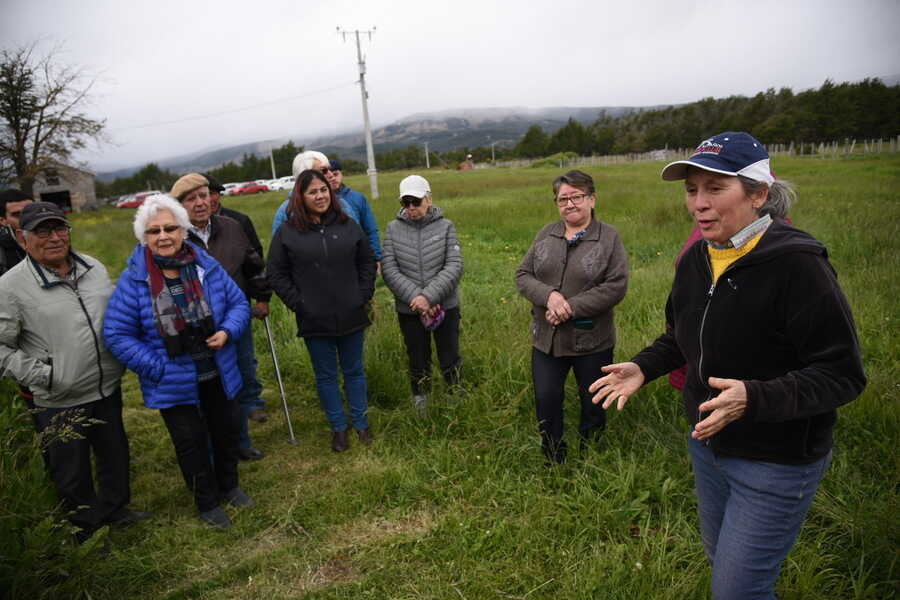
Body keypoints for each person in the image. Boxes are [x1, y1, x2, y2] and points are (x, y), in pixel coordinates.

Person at [589, 132, 866, 599]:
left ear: (759, 193)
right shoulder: (697, 259)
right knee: (725, 566)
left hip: (776, 459)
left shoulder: (798, 265)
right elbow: (683, 336)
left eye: (716, 189)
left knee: (738, 590)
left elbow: (843, 373)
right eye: (691, 190)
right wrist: (643, 367)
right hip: (709, 447)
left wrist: (754, 397)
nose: (699, 203)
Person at [0, 202, 148, 541]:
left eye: (60, 228)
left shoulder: (92, 267)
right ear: (23, 239)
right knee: (71, 470)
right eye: (43, 231)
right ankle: (85, 531)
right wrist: (45, 375)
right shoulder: (10, 287)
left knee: (114, 453)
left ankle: (116, 508)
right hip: (58, 397)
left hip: (106, 384)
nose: (55, 237)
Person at [103, 194, 252, 529]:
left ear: (184, 231)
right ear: (144, 237)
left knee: (226, 431)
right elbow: (117, 334)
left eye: (170, 228)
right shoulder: (136, 279)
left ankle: (229, 486)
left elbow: (239, 303)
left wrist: (228, 331)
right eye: (154, 231)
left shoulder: (205, 266)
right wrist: (157, 367)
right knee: (191, 444)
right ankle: (207, 503)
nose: (163, 236)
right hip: (173, 378)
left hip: (217, 368)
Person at [516, 170, 628, 464]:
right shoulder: (546, 234)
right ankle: (553, 457)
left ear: (592, 199)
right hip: (547, 341)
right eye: (562, 199)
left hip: (592, 341)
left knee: (593, 401)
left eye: (576, 197)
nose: (569, 204)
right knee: (546, 398)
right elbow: (523, 275)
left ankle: (591, 456)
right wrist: (550, 297)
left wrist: (570, 307)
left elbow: (615, 287)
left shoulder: (609, 238)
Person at [267, 169, 376, 452]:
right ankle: (339, 428)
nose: (320, 196)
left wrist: (362, 295)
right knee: (326, 375)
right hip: (314, 318)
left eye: (324, 190)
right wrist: (299, 304)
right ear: (300, 197)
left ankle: (361, 423)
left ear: (331, 192)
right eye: (312, 192)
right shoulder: (287, 232)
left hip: (351, 312)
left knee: (354, 371)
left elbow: (366, 262)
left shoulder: (348, 225)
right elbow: (276, 274)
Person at [170, 173, 271, 461]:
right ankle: (213, 450)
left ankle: (241, 442)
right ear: (180, 205)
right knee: (207, 390)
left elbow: (254, 265)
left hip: (235, 320)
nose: (201, 203)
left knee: (238, 380)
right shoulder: (174, 236)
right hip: (196, 328)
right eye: (192, 199)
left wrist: (262, 297)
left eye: (204, 196)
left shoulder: (232, 227)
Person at [381, 175, 463, 416]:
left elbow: (454, 265)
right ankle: (421, 406)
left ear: (429, 198)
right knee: (417, 358)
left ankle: (456, 403)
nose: (410, 208)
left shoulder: (446, 226)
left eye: (415, 202)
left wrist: (429, 296)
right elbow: (389, 268)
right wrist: (416, 298)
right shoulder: (392, 229)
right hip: (410, 309)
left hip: (444, 306)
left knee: (449, 356)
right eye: (405, 203)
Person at [328, 159, 383, 266]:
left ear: (341, 174)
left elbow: (370, 230)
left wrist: (376, 257)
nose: (333, 178)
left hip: (359, 255)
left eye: (336, 174)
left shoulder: (358, 198)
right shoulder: (321, 202)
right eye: (330, 176)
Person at [271, 150, 332, 238]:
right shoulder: (286, 211)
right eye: (324, 170)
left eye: (330, 169)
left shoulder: (341, 204)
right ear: (305, 175)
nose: (331, 175)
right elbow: (278, 247)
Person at [0, 189, 31, 277]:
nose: (27, 218)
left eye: (31, 212)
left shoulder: (56, 239)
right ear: (3, 220)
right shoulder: (3, 256)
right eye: (17, 215)